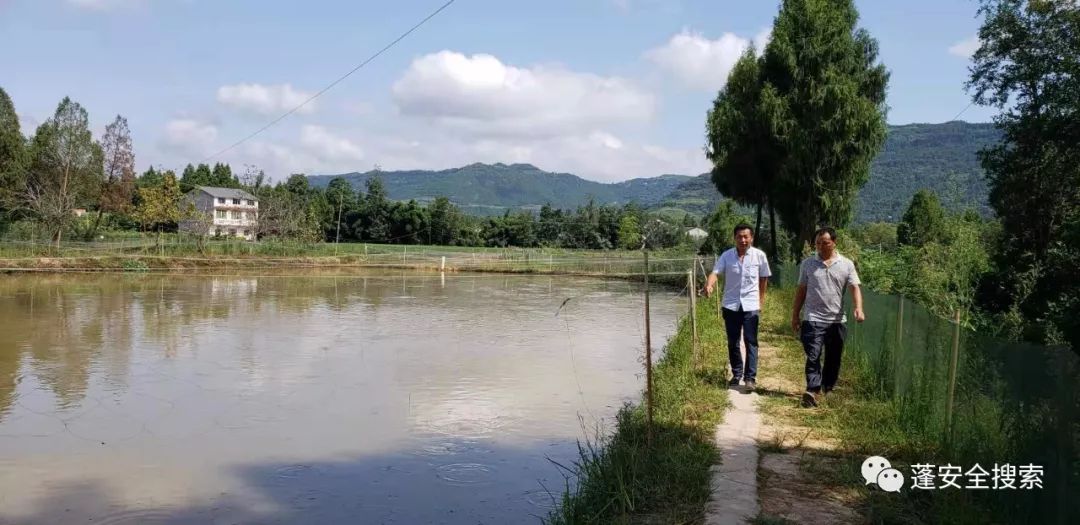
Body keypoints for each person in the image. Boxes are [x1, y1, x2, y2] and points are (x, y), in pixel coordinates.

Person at [791, 227, 865, 407]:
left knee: (834, 357)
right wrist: (795, 315)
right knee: (813, 354)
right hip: (812, 317)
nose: (821, 246)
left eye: (825, 243)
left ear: (834, 243)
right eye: (817, 243)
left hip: (836, 320)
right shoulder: (808, 264)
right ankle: (812, 390)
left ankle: (828, 388)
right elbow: (801, 290)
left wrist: (858, 308)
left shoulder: (846, 264)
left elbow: (855, 287)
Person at [705, 224, 771, 391]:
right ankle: (736, 374)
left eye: (746, 236)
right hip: (730, 305)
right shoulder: (727, 256)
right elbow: (715, 273)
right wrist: (709, 285)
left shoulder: (759, 256)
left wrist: (760, 300)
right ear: (734, 238)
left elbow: (764, 278)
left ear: (751, 238)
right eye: (739, 237)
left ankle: (750, 378)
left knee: (751, 341)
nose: (742, 240)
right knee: (733, 341)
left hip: (751, 305)